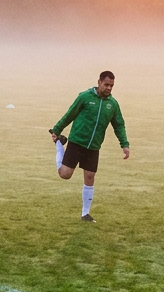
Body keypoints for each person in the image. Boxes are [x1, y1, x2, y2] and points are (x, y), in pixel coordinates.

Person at [49, 71, 129, 222]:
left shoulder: (113, 104)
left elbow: (119, 125)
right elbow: (70, 114)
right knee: (65, 174)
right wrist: (57, 129)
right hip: (77, 142)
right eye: (106, 85)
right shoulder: (85, 97)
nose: (109, 88)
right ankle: (59, 143)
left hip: (94, 146)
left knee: (90, 177)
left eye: (111, 86)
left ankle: (85, 213)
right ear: (98, 82)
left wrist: (124, 144)